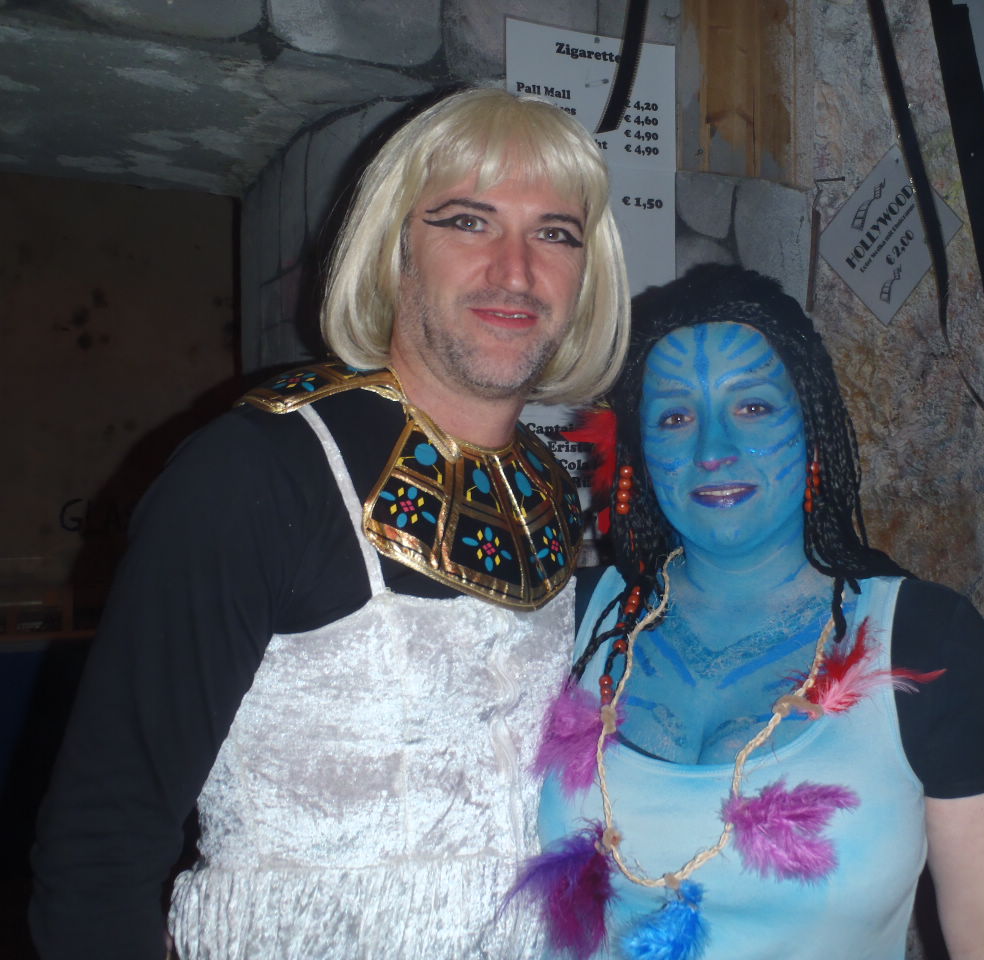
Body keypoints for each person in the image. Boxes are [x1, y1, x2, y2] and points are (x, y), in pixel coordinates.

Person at [29, 86, 630, 960]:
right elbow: (98, 853)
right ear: (395, 249)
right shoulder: (256, 470)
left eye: (556, 233)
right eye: (468, 222)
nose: (516, 269)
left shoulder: (549, 491)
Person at [527, 264, 984, 959]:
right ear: (639, 451)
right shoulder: (568, 622)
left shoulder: (928, 642)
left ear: (811, 426)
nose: (713, 451)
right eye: (675, 417)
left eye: (752, 408)